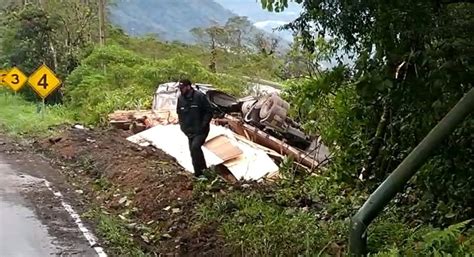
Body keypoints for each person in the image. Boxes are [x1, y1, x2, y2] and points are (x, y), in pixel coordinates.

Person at [176, 79, 214, 178]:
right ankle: (198, 174)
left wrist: (203, 125)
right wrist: (183, 127)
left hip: (201, 130)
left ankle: (204, 173)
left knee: (195, 147)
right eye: (180, 88)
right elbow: (179, 113)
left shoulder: (199, 96)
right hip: (189, 131)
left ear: (188, 87)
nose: (181, 90)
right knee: (193, 151)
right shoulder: (180, 99)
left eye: (183, 88)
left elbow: (209, 111)